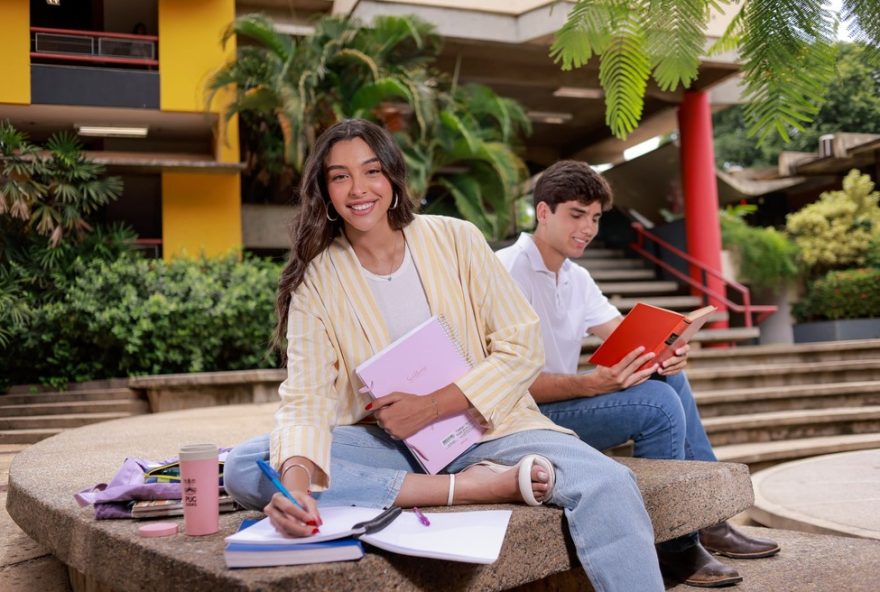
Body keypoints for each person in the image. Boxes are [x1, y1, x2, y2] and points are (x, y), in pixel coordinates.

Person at [224, 119, 666, 590]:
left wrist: (433, 406)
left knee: (610, 483)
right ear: (325, 190)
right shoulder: (318, 278)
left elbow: (522, 343)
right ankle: (476, 486)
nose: (358, 189)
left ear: (393, 177)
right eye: (339, 176)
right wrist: (294, 488)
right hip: (390, 444)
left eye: (371, 171)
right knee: (248, 465)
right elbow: (306, 397)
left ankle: (484, 473)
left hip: (492, 430)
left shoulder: (457, 238)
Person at [496, 160, 781, 588]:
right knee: (658, 403)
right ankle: (676, 548)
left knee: (669, 379)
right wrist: (591, 383)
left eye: (595, 218)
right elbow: (506, 383)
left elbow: (626, 337)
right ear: (543, 212)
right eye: (576, 214)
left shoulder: (577, 277)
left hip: (561, 407)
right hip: (524, 420)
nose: (588, 228)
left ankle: (708, 522)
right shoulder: (504, 272)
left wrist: (667, 351)